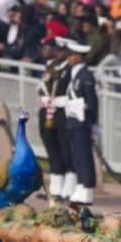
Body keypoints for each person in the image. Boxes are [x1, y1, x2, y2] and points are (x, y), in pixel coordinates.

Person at [60, 38, 100, 220]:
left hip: (82, 122)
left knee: (84, 156)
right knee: (76, 155)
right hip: (73, 120)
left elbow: (92, 102)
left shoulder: (86, 76)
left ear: (80, 57)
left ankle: (87, 187)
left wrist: (92, 123)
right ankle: (80, 185)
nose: (69, 58)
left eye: (72, 55)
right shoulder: (73, 74)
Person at [37, 40, 72, 206]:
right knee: (51, 149)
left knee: (65, 149)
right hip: (47, 110)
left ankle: (67, 188)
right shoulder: (50, 66)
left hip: (61, 111)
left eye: (58, 50)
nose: (54, 52)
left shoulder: (68, 69)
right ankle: (55, 187)